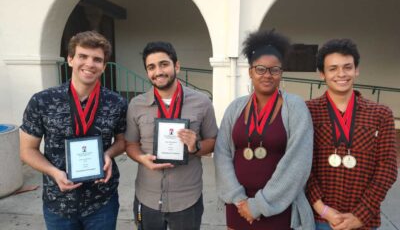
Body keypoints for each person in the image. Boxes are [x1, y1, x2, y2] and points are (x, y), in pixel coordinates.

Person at [19, 31, 127, 230]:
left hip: (101, 201)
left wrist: (108, 154)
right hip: (58, 202)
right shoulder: (42, 101)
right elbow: (27, 150)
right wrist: (53, 172)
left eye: (97, 59)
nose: (89, 64)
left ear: (103, 66)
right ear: (70, 59)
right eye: (82, 56)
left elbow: (122, 141)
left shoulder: (116, 103)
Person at [214, 29, 315, 230]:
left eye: (274, 70)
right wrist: (238, 199)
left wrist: (259, 205)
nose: (267, 75)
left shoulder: (295, 107)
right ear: (250, 72)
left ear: (281, 73)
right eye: (260, 69)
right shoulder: (236, 107)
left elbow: (298, 162)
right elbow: (222, 153)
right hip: (238, 206)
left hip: (278, 206)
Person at [306, 38, 398, 230]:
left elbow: (387, 168)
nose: (341, 74)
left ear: (356, 70)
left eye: (347, 67)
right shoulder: (307, 111)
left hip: (364, 220)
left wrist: (361, 214)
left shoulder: (380, 114)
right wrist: (322, 208)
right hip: (318, 218)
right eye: (333, 68)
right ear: (322, 74)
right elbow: (301, 164)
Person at [125, 41, 218, 230]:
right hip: (147, 196)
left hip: (186, 198)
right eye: (151, 67)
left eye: (163, 64)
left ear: (176, 65)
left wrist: (196, 146)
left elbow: (213, 141)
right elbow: (130, 144)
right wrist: (142, 158)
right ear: (147, 72)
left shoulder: (201, 102)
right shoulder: (136, 104)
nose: (158, 71)